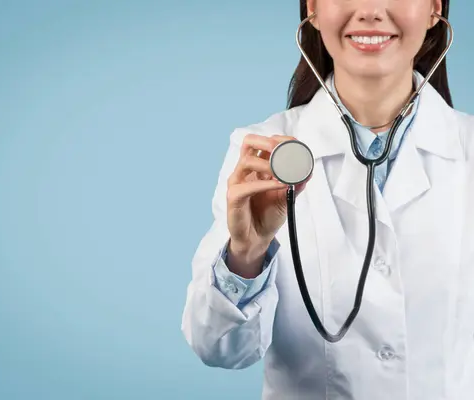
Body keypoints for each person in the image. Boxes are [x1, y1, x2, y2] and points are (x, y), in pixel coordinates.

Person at [181, 0, 474, 398]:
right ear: (313, 9)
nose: (371, 11)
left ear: (435, 9)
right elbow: (220, 349)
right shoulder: (258, 154)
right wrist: (247, 254)